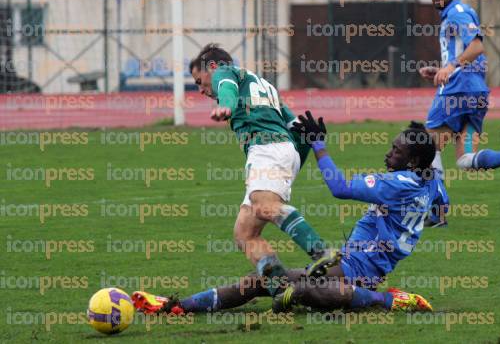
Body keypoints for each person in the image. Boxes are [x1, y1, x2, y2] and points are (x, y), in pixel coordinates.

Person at [132, 114, 446, 315]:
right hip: (352, 263)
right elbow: (440, 206)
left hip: (359, 267)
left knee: (301, 290)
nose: (389, 153)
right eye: (392, 146)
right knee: (264, 282)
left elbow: (338, 187)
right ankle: (177, 307)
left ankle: (387, 301)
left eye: (397, 151)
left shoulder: (399, 184)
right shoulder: (430, 180)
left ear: (412, 161)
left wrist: (320, 145)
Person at [189, 44, 337, 295]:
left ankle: (321, 252)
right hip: (282, 150)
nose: (201, 90)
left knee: (264, 207)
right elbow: (294, 124)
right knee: (245, 233)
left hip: (266, 149)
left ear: (213, 67)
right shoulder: (263, 85)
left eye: (200, 81)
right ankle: (281, 288)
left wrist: (226, 105)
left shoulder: (226, 74)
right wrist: (312, 140)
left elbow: (226, 88)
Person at [418, 0, 500, 226]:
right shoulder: (459, 14)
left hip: (458, 90)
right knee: (465, 159)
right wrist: (442, 69)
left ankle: (437, 212)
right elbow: (468, 52)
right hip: (476, 92)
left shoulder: (457, 12)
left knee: (426, 147)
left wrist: (451, 67)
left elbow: (477, 45)